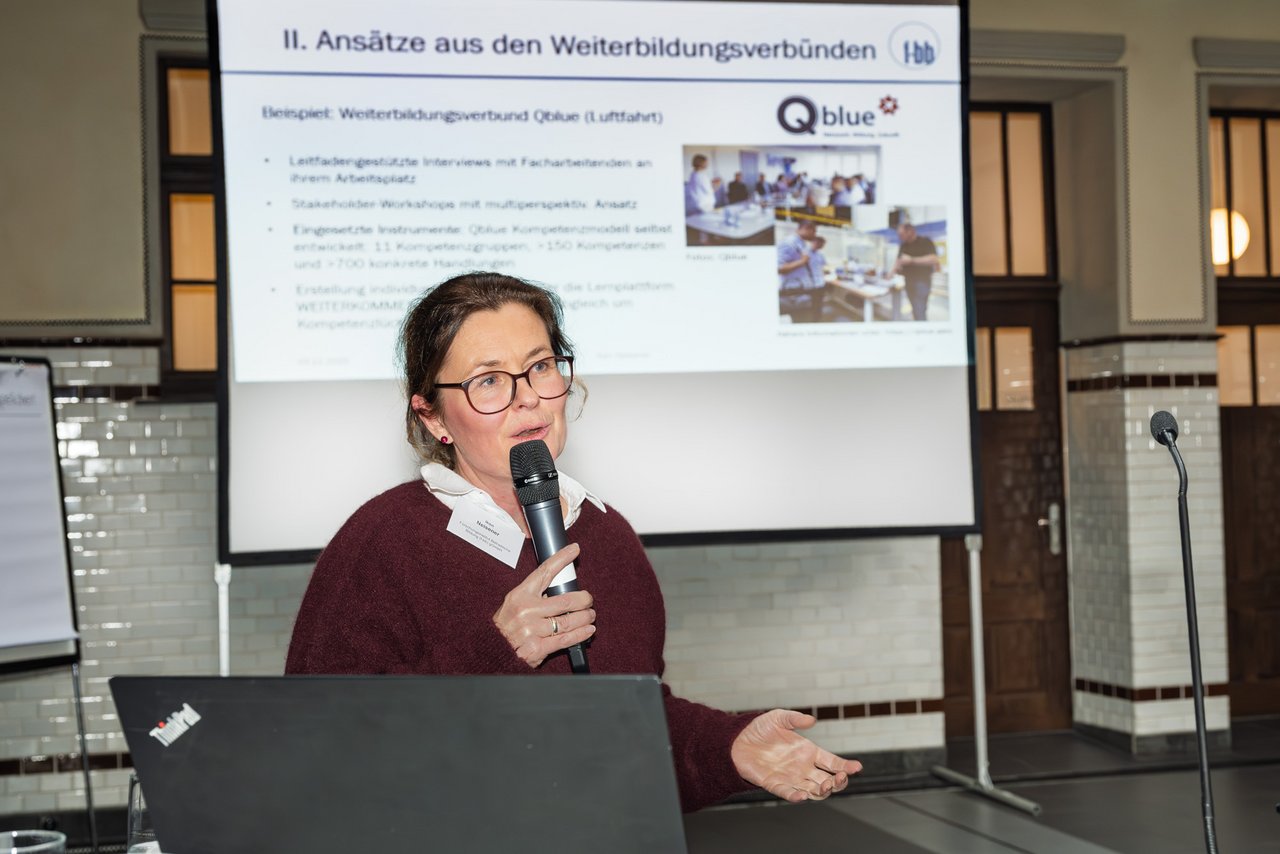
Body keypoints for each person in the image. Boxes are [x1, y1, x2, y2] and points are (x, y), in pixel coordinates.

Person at [286, 273, 862, 812]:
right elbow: (319, 742)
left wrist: (728, 748)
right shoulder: (381, 541)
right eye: (488, 381)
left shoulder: (606, 536)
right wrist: (497, 651)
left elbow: (623, 729)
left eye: (539, 367)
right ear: (433, 416)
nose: (528, 397)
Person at [893, 221, 940, 321]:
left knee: (920, 311)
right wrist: (891, 273)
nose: (900, 237)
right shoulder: (903, 246)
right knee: (916, 309)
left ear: (910, 231)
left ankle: (922, 331)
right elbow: (898, 262)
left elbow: (934, 259)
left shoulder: (925, 241)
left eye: (901, 234)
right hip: (908, 283)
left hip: (922, 282)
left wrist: (911, 260)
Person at [777, 220, 821, 322]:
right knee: (801, 321)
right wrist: (802, 261)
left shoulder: (800, 244)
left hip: (803, 291)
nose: (815, 235)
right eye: (814, 232)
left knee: (806, 319)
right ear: (805, 229)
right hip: (794, 293)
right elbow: (779, 268)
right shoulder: (788, 243)